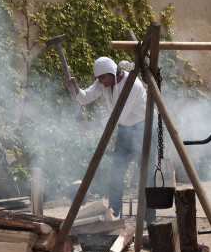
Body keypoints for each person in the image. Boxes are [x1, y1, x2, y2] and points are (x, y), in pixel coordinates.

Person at [64, 56, 156, 221]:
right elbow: (85, 98)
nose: (100, 81)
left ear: (113, 73)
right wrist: (76, 89)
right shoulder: (105, 81)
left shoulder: (132, 85)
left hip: (145, 128)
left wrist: (91, 126)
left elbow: (119, 116)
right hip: (125, 129)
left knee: (147, 173)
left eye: (102, 78)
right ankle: (114, 213)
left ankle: (150, 217)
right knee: (116, 172)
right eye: (98, 78)